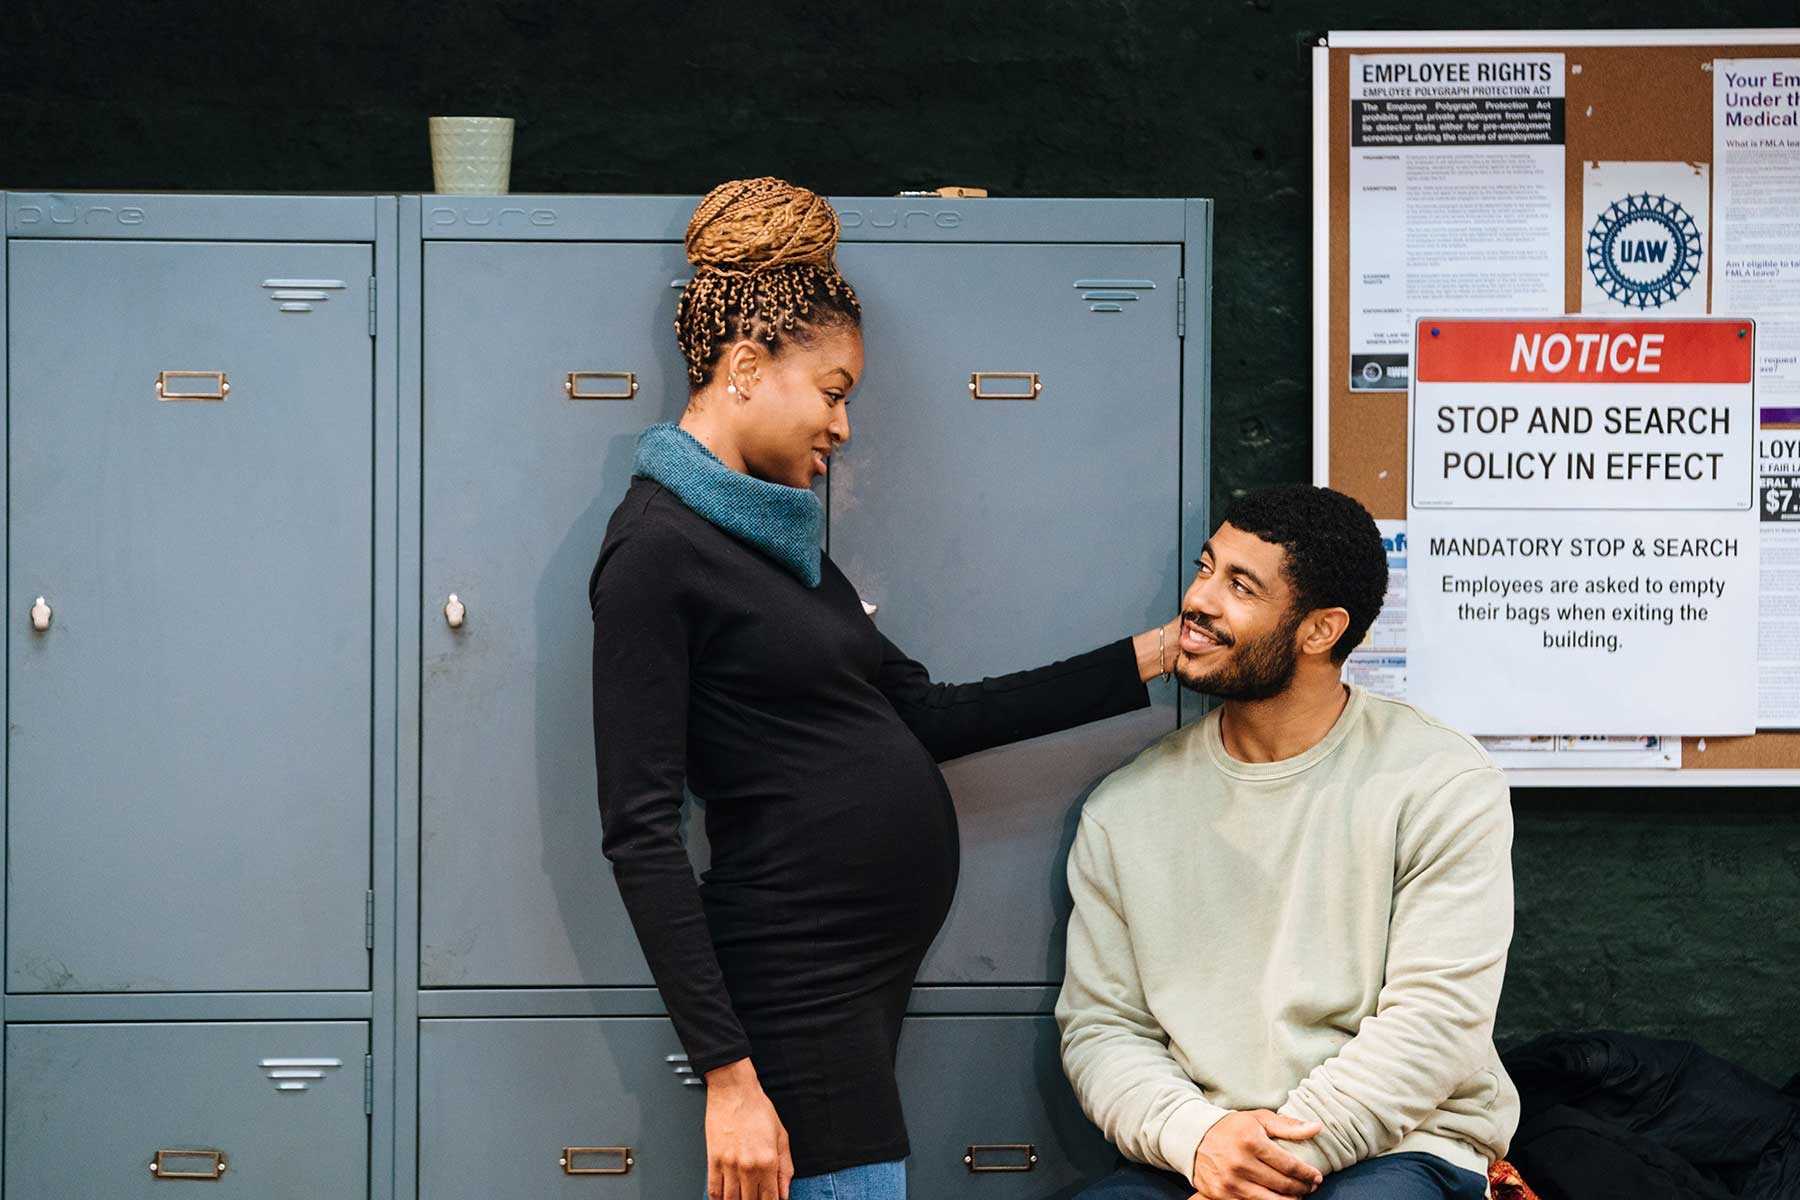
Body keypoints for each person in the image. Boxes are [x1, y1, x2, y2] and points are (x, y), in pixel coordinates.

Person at [588, 177, 1180, 1200]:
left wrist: (1158, 654)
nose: (845, 427)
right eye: (833, 390)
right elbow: (639, 829)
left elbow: (930, 715)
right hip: (792, 988)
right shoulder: (656, 550)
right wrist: (731, 1079)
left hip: (849, 987)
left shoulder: (778, 549)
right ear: (742, 367)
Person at [1056, 484, 1519, 1200]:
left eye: (1240, 586)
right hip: (1198, 1149)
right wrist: (1201, 1140)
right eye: (1206, 568)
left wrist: (1273, 1164)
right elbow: (1102, 1029)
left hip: (1400, 1149)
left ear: (1319, 630)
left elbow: (1434, 1025)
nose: (1199, 599)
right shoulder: (1126, 809)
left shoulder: (1440, 781)